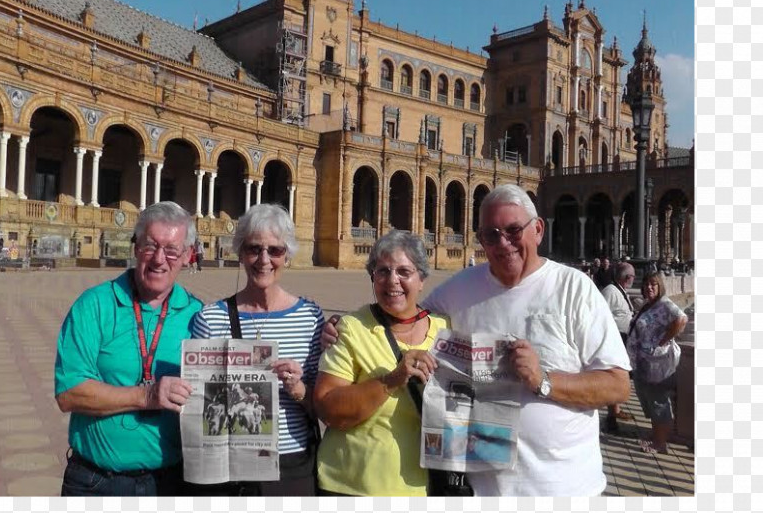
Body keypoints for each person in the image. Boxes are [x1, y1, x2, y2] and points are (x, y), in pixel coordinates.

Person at [320, 184, 630, 496]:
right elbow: (404, 313)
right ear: (481, 239)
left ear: (537, 230)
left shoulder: (574, 288)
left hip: (563, 486)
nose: (503, 242)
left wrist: (544, 380)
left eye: (512, 230)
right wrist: (341, 326)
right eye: (491, 234)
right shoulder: (460, 290)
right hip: (482, 488)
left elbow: (617, 385)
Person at [54, 201, 203, 496]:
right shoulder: (95, 305)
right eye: (150, 245)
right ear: (135, 247)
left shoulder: (199, 316)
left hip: (171, 482)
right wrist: (147, 395)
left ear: (187, 256)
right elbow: (69, 393)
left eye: (172, 250)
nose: (159, 259)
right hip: (97, 482)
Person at [190, 203, 323, 496]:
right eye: (254, 249)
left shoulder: (310, 318)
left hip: (293, 462)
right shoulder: (211, 318)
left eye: (274, 250)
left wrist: (298, 388)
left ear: (287, 255)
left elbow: (321, 405)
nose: (264, 259)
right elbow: (195, 405)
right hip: (231, 464)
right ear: (240, 253)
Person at [313, 230, 447, 496]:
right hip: (353, 484)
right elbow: (327, 408)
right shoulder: (351, 328)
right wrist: (391, 380)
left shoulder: (446, 331)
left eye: (404, 272)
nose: (392, 281)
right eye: (382, 271)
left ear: (422, 280)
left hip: (421, 488)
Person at [626, 271, 688, 454]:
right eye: (646, 284)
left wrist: (663, 340)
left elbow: (682, 318)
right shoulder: (648, 305)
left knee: (659, 402)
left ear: (660, 286)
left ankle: (661, 444)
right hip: (643, 362)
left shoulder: (664, 304)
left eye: (653, 284)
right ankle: (656, 436)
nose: (649, 287)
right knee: (650, 401)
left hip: (657, 364)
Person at [601, 261, 637, 432]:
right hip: (615, 341)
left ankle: (616, 411)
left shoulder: (619, 291)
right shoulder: (610, 291)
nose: (633, 280)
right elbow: (600, 314)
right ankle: (611, 417)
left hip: (623, 340)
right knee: (614, 377)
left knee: (620, 375)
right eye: (632, 277)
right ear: (627, 278)